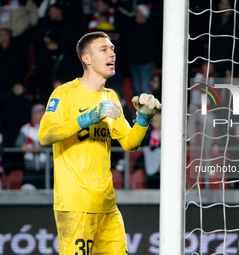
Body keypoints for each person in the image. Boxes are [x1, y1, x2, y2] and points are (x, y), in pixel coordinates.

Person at [38, 31, 161, 254]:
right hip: (76, 207)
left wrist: (143, 119)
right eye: (104, 49)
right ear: (86, 58)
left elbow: (129, 143)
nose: (112, 53)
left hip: (107, 207)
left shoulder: (111, 98)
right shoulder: (64, 94)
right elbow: (45, 134)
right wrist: (88, 118)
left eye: (112, 48)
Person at [15, 104, 49, 189]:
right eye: (38, 113)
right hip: (30, 168)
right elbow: (17, 143)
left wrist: (41, 148)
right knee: (29, 190)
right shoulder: (25, 129)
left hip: (47, 168)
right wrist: (23, 146)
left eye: (43, 112)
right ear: (32, 115)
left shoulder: (50, 128)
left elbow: (54, 143)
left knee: (49, 191)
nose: (41, 115)